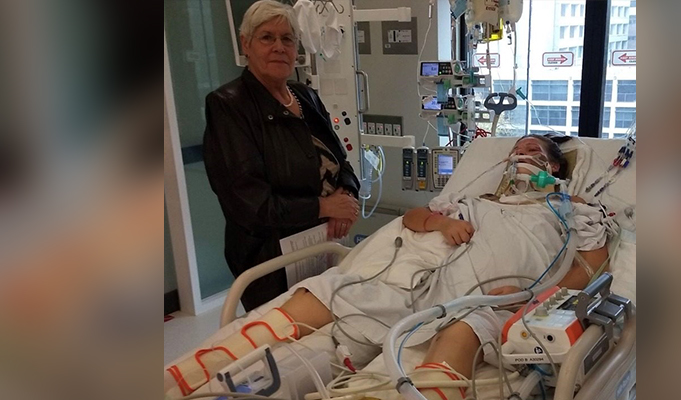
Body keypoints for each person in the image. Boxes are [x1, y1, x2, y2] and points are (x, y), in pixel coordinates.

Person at [166, 134, 612, 398]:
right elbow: (411, 219)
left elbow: (593, 264)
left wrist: (533, 300)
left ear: (552, 167)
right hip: (431, 285)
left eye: (534, 150)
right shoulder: (476, 200)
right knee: (328, 292)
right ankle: (179, 382)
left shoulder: (572, 208)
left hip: (495, 302)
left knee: (462, 331)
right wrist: (440, 223)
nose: (521, 154)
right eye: (516, 148)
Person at [203, 0, 359, 312]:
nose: (279, 47)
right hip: (270, 258)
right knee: (285, 340)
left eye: (287, 38)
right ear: (246, 44)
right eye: (267, 37)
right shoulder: (229, 106)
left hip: (320, 243)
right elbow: (250, 204)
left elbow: (341, 160)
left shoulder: (305, 96)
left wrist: (348, 198)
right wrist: (325, 206)